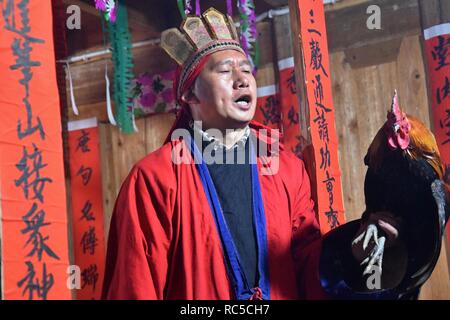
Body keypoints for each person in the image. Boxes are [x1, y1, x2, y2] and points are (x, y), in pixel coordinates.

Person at [101, 8, 443, 300]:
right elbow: (135, 284)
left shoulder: (286, 169)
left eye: (247, 70)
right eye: (225, 71)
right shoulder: (155, 179)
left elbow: (306, 264)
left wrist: (352, 253)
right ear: (190, 95)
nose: (242, 79)